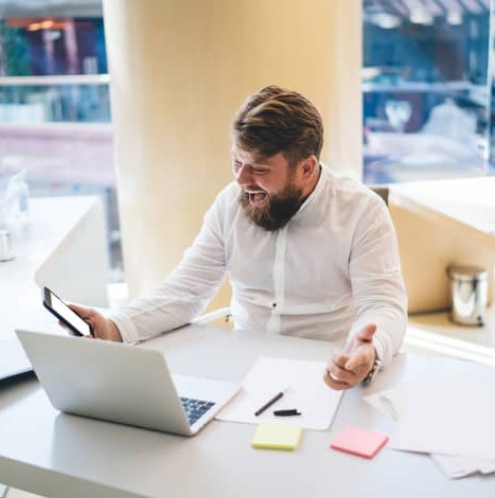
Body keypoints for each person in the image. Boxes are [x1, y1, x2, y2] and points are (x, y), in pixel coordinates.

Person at [70, 85, 408, 390]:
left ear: (306, 168)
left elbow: (382, 304)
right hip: (244, 373)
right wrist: (114, 327)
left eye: (259, 169)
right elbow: (186, 289)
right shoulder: (230, 203)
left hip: (327, 371)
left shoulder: (362, 212)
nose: (242, 180)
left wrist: (368, 350)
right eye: (236, 162)